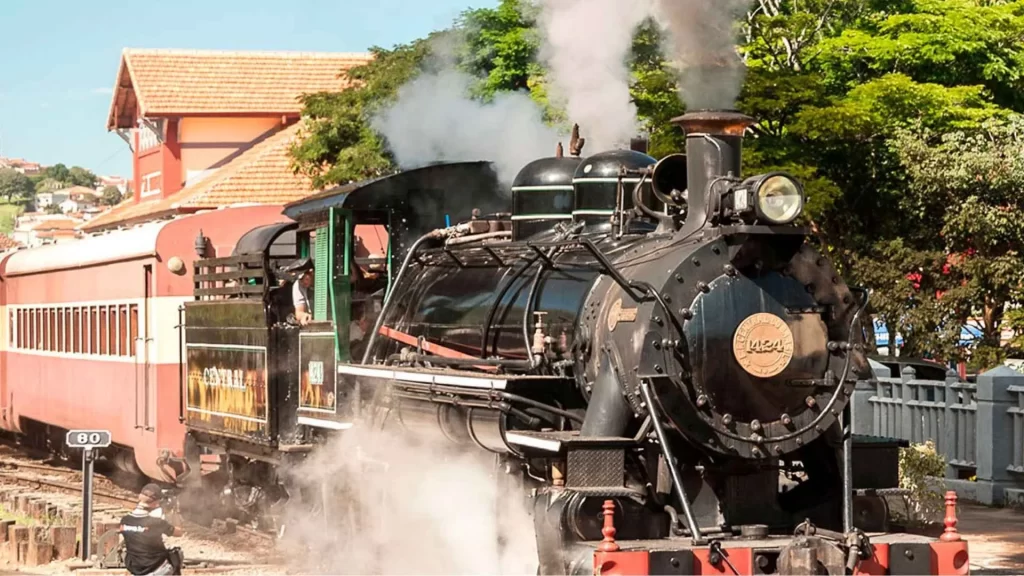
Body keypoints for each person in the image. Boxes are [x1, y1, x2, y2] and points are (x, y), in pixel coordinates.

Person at [119, 484, 184, 575]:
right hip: (156, 568)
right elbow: (179, 532)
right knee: (178, 554)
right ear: (156, 503)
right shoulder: (156, 523)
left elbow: (141, 528)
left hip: (136, 568)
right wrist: (175, 510)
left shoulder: (125, 520)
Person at [292, 260, 314, 326]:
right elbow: (298, 312)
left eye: (304, 278)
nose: (302, 282)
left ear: (311, 272)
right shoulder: (298, 286)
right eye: (300, 280)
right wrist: (303, 315)